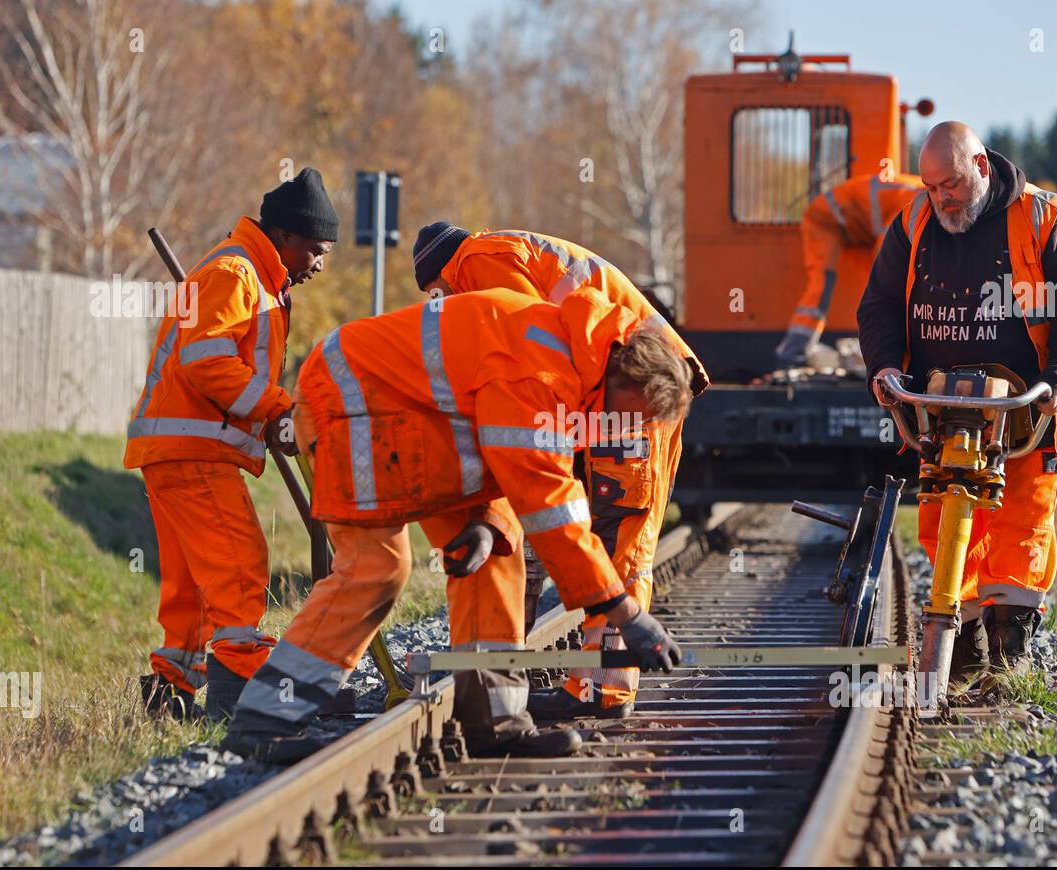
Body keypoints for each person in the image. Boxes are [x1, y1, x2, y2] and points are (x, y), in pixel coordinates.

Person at [222, 287, 693, 764]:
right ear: (619, 373)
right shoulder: (541, 369)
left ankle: (496, 722)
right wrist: (626, 614)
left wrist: (486, 519)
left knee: (496, 553)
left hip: (416, 422)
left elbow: (503, 448)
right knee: (375, 567)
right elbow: (551, 504)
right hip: (350, 404)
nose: (622, 427)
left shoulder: (570, 358)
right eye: (631, 414)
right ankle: (265, 721)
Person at [411, 224, 707, 719]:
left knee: (618, 535)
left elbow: (528, 350)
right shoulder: (501, 251)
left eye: (435, 295)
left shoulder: (477, 261)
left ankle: (603, 689)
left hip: (634, 382)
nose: (439, 305)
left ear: (441, 274)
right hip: (625, 380)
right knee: (612, 528)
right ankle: (590, 682)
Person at [856, 122, 1057, 681]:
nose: (942, 198)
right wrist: (886, 367)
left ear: (983, 167)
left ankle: (1010, 650)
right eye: (932, 187)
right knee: (944, 517)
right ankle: (961, 649)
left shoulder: (1045, 222)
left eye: (952, 185)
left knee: (1021, 522)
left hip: (1026, 411)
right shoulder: (914, 223)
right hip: (942, 408)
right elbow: (879, 306)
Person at [125, 168, 338, 721]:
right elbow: (206, 361)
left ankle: (169, 694)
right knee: (240, 566)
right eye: (314, 250)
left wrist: (269, 416)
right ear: (286, 237)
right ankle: (239, 698)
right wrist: (275, 408)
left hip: (177, 447)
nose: (319, 264)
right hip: (192, 450)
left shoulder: (250, 274)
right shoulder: (234, 273)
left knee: (193, 583)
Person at [775, 172, 923, 367]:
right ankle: (792, 353)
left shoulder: (923, 193)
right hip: (824, 219)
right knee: (821, 286)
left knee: (873, 292)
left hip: (857, 230)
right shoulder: (916, 203)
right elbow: (886, 251)